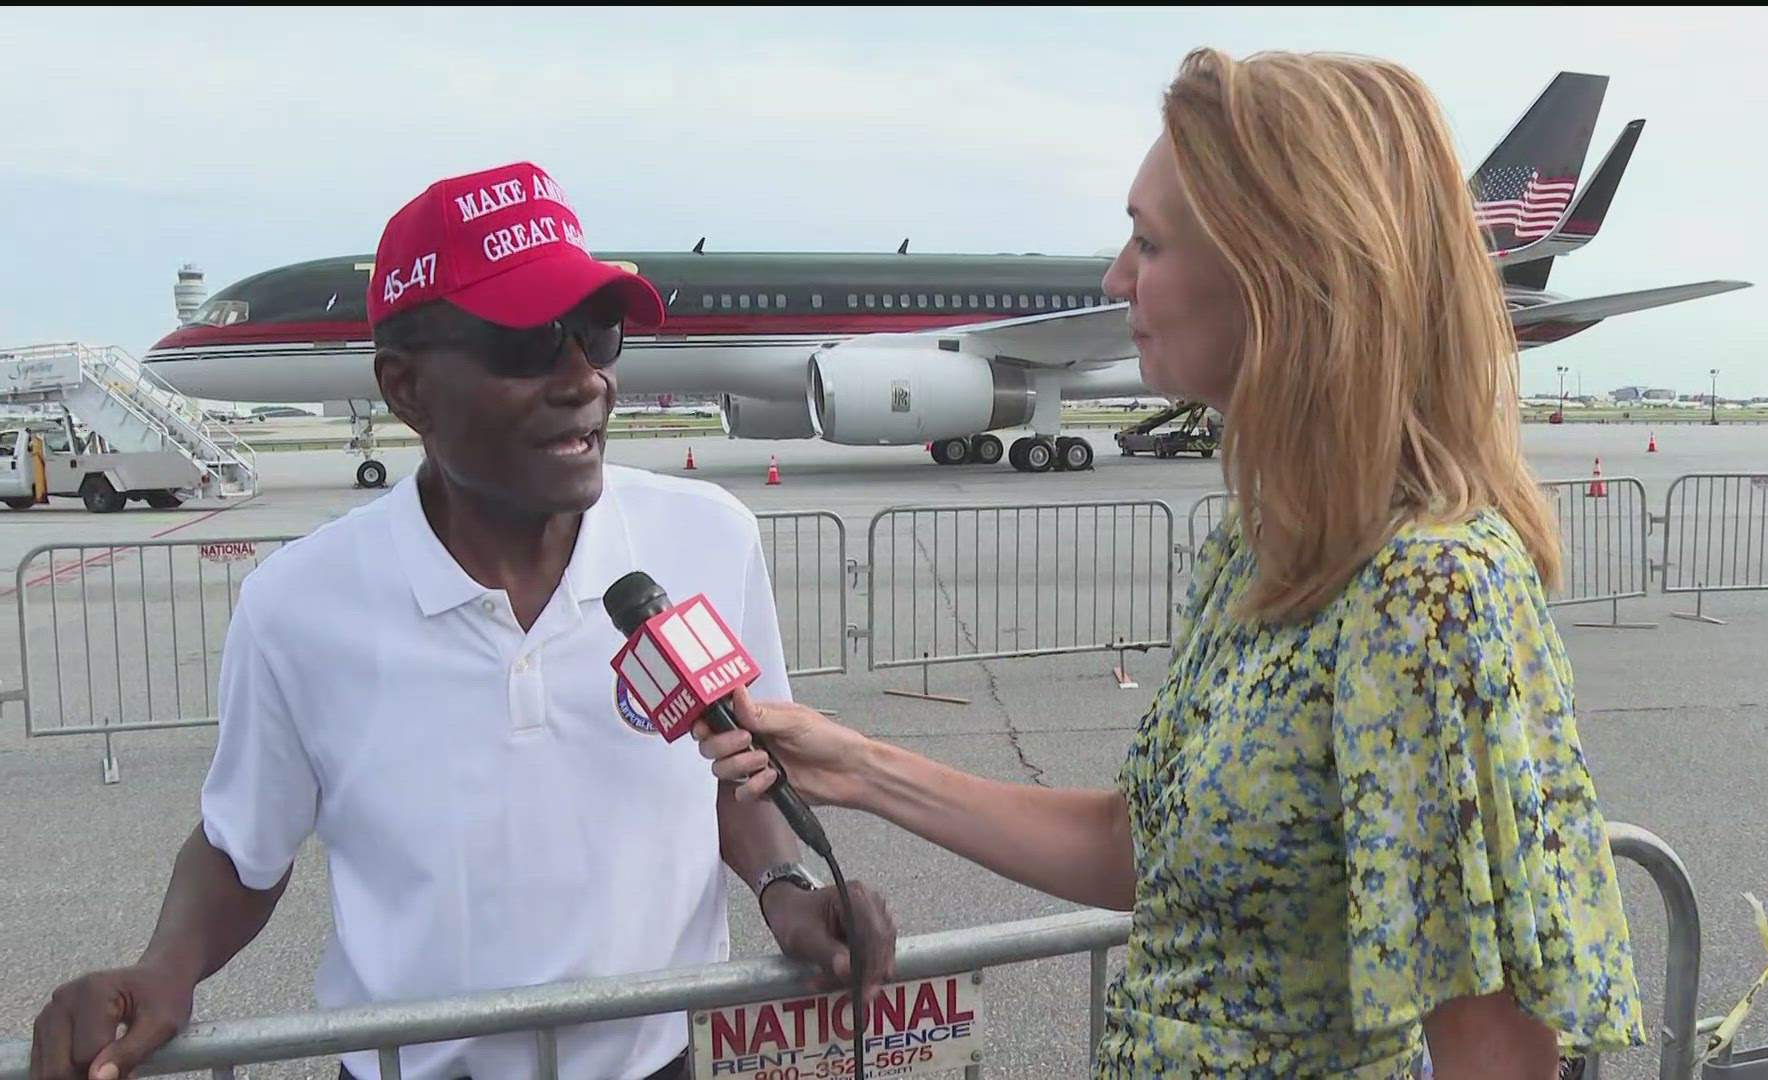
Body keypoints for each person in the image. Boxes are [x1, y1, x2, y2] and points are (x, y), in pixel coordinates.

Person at [696, 48, 1642, 1079]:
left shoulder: (1431, 590)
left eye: (1147, 242)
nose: (1115, 278)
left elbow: (1494, 1047)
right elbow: (1143, 853)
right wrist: (860, 766)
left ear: (1281, 269)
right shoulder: (1265, 545)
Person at [29, 161, 896, 1080]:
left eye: (597, 334)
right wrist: (165, 970)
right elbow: (241, 847)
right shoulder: (297, 605)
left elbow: (736, 768)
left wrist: (785, 891)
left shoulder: (707, 539)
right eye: (526, 343)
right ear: (406, 390)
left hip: (654, 1060)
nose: (584, 380)